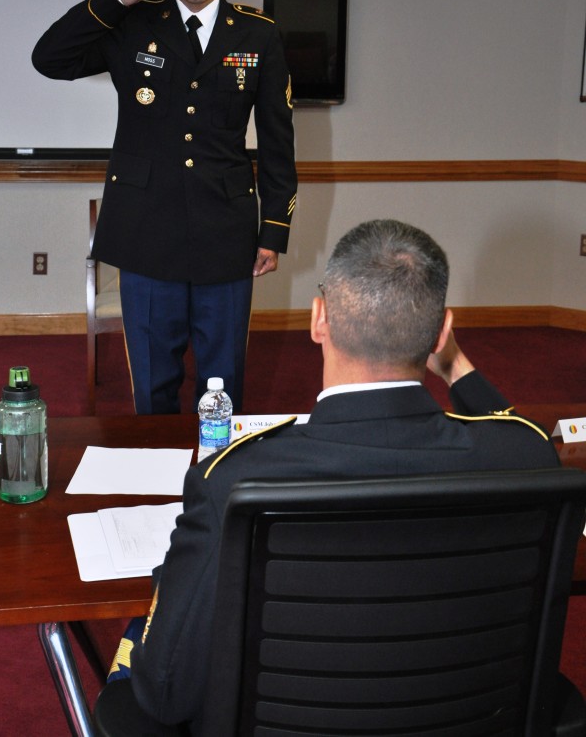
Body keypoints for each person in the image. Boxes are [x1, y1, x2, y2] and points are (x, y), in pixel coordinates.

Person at [115, 218, 560, 732]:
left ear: (318, 318)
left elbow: (164, 690)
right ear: (442, 332)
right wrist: (456, 366)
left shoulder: (238, 479)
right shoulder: (523, 461)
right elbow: (523, 434)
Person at [32, 0, 296, 414]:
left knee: (222, 383)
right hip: (146, 229)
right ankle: (157, 483)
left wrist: (273, 229)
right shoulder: (132, 23)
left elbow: (277, 139)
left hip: (225, 228)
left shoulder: (257, 34)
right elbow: (50, 58)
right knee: (152, 382)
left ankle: (214, 480)